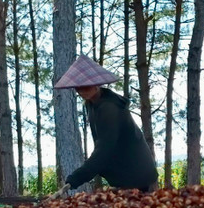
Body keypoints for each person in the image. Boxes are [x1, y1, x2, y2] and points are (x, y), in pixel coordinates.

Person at [54, 55, 158, 192]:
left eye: (86, 86)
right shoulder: (91, 105)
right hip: (123, 173)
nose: (81, 91)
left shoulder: (109, 108)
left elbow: (104, 149)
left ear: (97, 84)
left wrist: (77, 177)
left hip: (136, 173)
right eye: (78, 88)